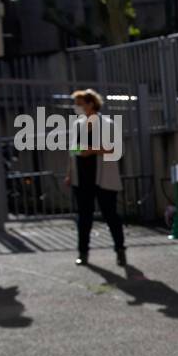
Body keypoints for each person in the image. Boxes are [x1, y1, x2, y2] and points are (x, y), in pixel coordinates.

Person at [65, 89, 125, 267]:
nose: (77, 108)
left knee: (111, 215)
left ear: (91, 104)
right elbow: (72, 151)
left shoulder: (107, 124)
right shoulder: (77, 125)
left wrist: (92, 150)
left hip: (104, 179)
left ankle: (120, 250)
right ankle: (83, 253)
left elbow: (116, 150)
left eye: (79, 104)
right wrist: (69, 173)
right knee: (84, 218)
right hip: (82, 180)